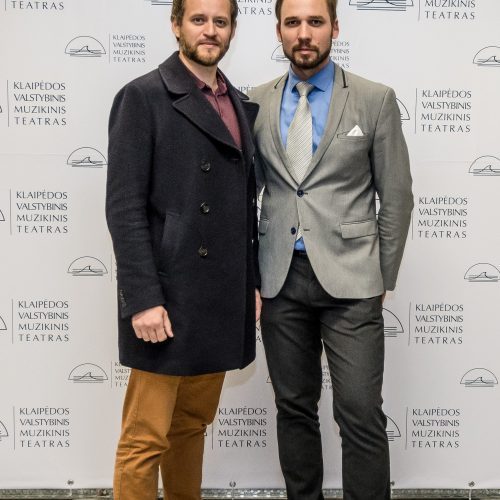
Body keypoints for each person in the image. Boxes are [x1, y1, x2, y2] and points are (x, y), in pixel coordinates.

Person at [248, 0, 413, 498]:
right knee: (294, 409)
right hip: (279, 281)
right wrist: (250, 278)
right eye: (293, 22)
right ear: (278, 29)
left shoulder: (373, 99)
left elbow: (397, 195)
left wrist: (381, 277)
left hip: (353, 283)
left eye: (315, 22)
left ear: (334, 27)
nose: (304, 33)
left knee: (360, 412)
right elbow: (242, 197)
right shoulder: (252, 102)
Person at [105, 0, 261, 497]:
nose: (210, 30)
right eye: (199, 19)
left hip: (219, 296)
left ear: (232, 29)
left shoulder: (237, 102)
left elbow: (243, 211)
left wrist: (250, 284)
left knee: (191, 426)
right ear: (176, 25)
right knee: (144, 437)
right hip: (167, 298)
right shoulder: (143, 96)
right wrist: (143, 298)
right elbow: (125, 208)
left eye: (220, 21)